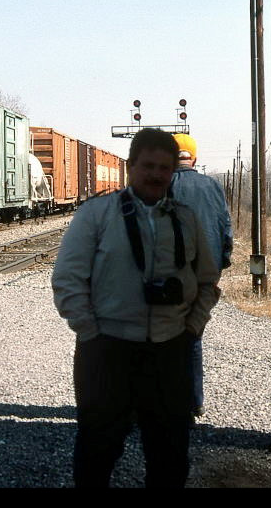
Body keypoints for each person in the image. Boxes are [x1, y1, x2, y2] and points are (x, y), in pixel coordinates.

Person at [52, 128, 222, 488]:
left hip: (169, 349)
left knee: (170, 456)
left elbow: (208, 281)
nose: (156, 175)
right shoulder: (97, 214)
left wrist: (192, 328)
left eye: (164, 168)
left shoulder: (185, 219)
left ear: (172, 172)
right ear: (130, 167)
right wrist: (90, 332)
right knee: (97, 451)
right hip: (108, 350)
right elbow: (67, 279)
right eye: (148, 166)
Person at [169, 133, 232, 422]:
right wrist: (220, 264)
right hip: (205, 275)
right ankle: (194, 404)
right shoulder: (212, 187)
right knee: (192, 336)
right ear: (193, 158)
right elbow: (225, 228)